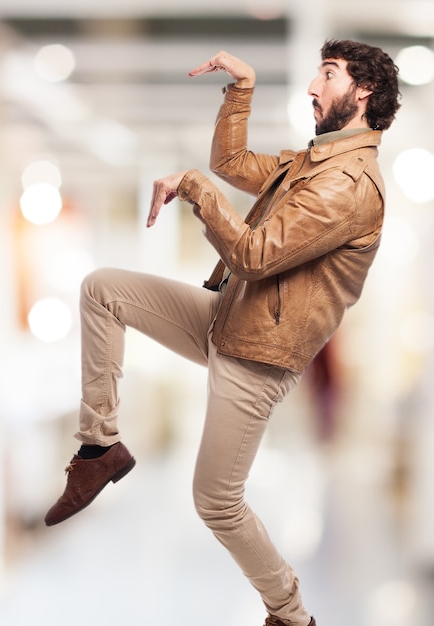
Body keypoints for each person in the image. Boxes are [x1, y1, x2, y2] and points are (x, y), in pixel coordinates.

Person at [44, 40, 401, 626]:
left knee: (215, 501)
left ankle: (290, 614)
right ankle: (98, 448)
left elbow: (257, 256)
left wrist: (195, 188)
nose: (313, 87)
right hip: (226, 318)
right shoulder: (313, 163)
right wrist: (242, 90)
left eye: (328, 75)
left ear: (364, 93)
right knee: (102, 288)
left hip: (258, 354)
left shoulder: (350, 186)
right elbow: (231, 165)